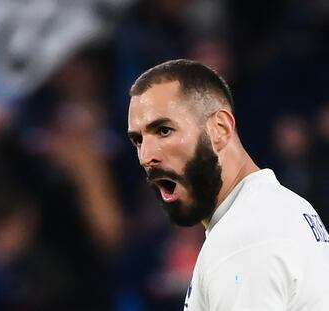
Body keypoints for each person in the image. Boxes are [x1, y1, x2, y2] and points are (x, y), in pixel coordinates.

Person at [127, 59, 329, 310]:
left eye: (164, 130)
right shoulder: (277, 208)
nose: (146, 156)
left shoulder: (244, 238)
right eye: (138, 140)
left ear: (220, 128)